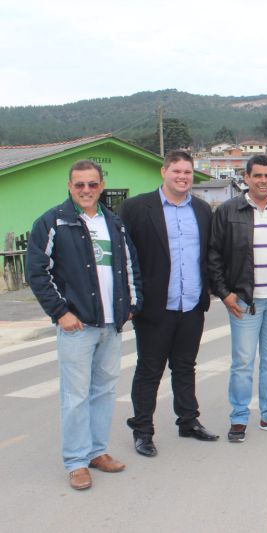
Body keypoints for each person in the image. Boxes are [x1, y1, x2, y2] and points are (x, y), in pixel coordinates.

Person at [27, 159, 142, 490]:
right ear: (69, 186)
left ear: (101, 186)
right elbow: (37, 271)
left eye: (92, 184)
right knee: (75, 396)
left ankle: (96, 451)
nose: (86, 190)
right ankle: (76, 462)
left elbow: (131, 266)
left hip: (111, 324)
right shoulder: (52, 223)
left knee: (104, 391)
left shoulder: (114, 224)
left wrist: (132, 305)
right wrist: (60, 312)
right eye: (80, 185)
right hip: (76, 326)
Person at [119, 150, 219, 457]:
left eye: (187, 172)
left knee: (185, 367)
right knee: (150, 370)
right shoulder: (136, 208)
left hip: (190, 304)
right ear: (164, 172)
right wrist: (129, 300)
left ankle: (188, 421)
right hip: (154, 307)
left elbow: (210, 255)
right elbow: (124, 258)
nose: (182, 177)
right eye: (176, 171)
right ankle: (143, 430)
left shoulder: (202, 210)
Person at [208, 155, 267, 443]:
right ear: (246, 178)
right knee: (243, 362)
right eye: (257, 175)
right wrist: (225, 294)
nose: (263, 181)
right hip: (244, 302)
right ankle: (239, 418)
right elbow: (213, 256)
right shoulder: (227, 211)